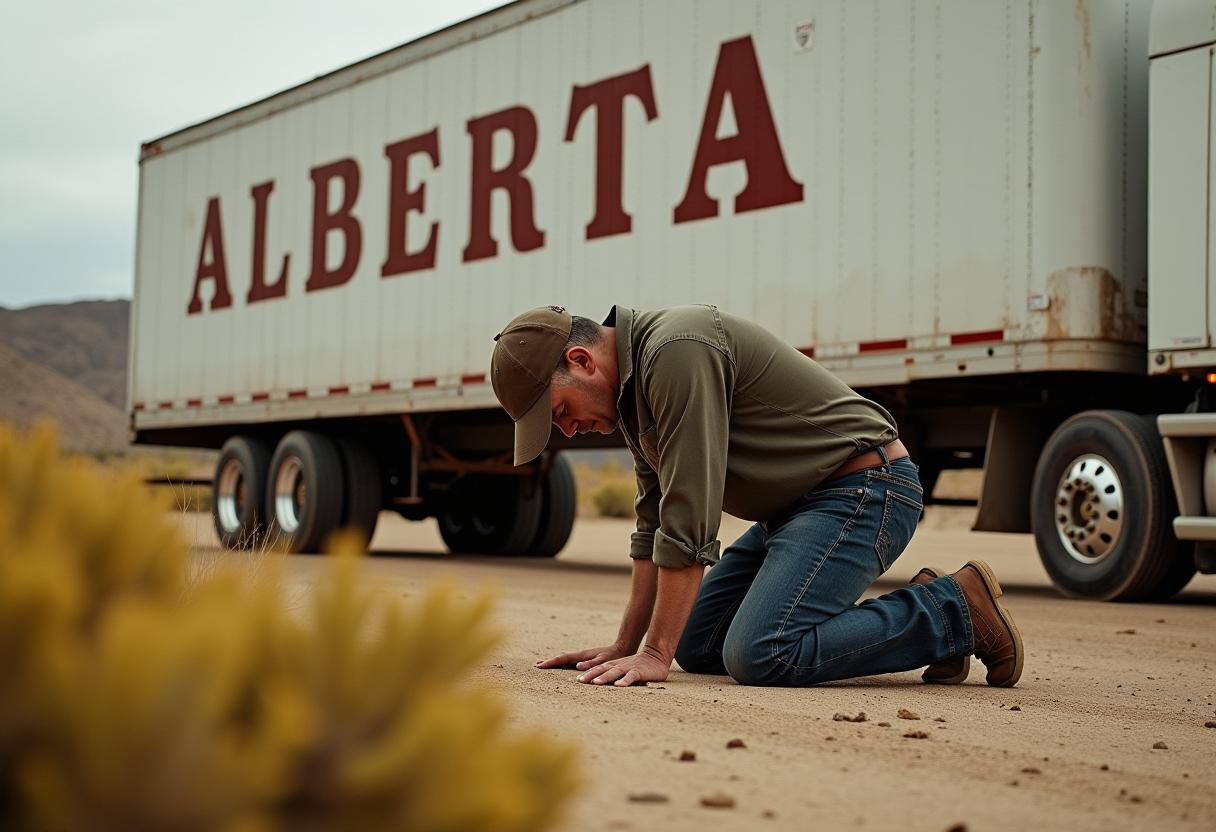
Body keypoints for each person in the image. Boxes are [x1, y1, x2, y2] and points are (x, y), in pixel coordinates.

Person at [489, 304, 1024, 688]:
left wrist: (655, 651)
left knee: (761, 653)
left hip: (865, 490)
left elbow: (690, 513)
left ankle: (954, 610)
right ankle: (922, 609)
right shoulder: (632, 397)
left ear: (582, 361)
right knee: (699, 646)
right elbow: (653, 523)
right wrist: (629, 643)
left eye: (559, 412)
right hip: (795, 513)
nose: (567, 431)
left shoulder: (675, 352)